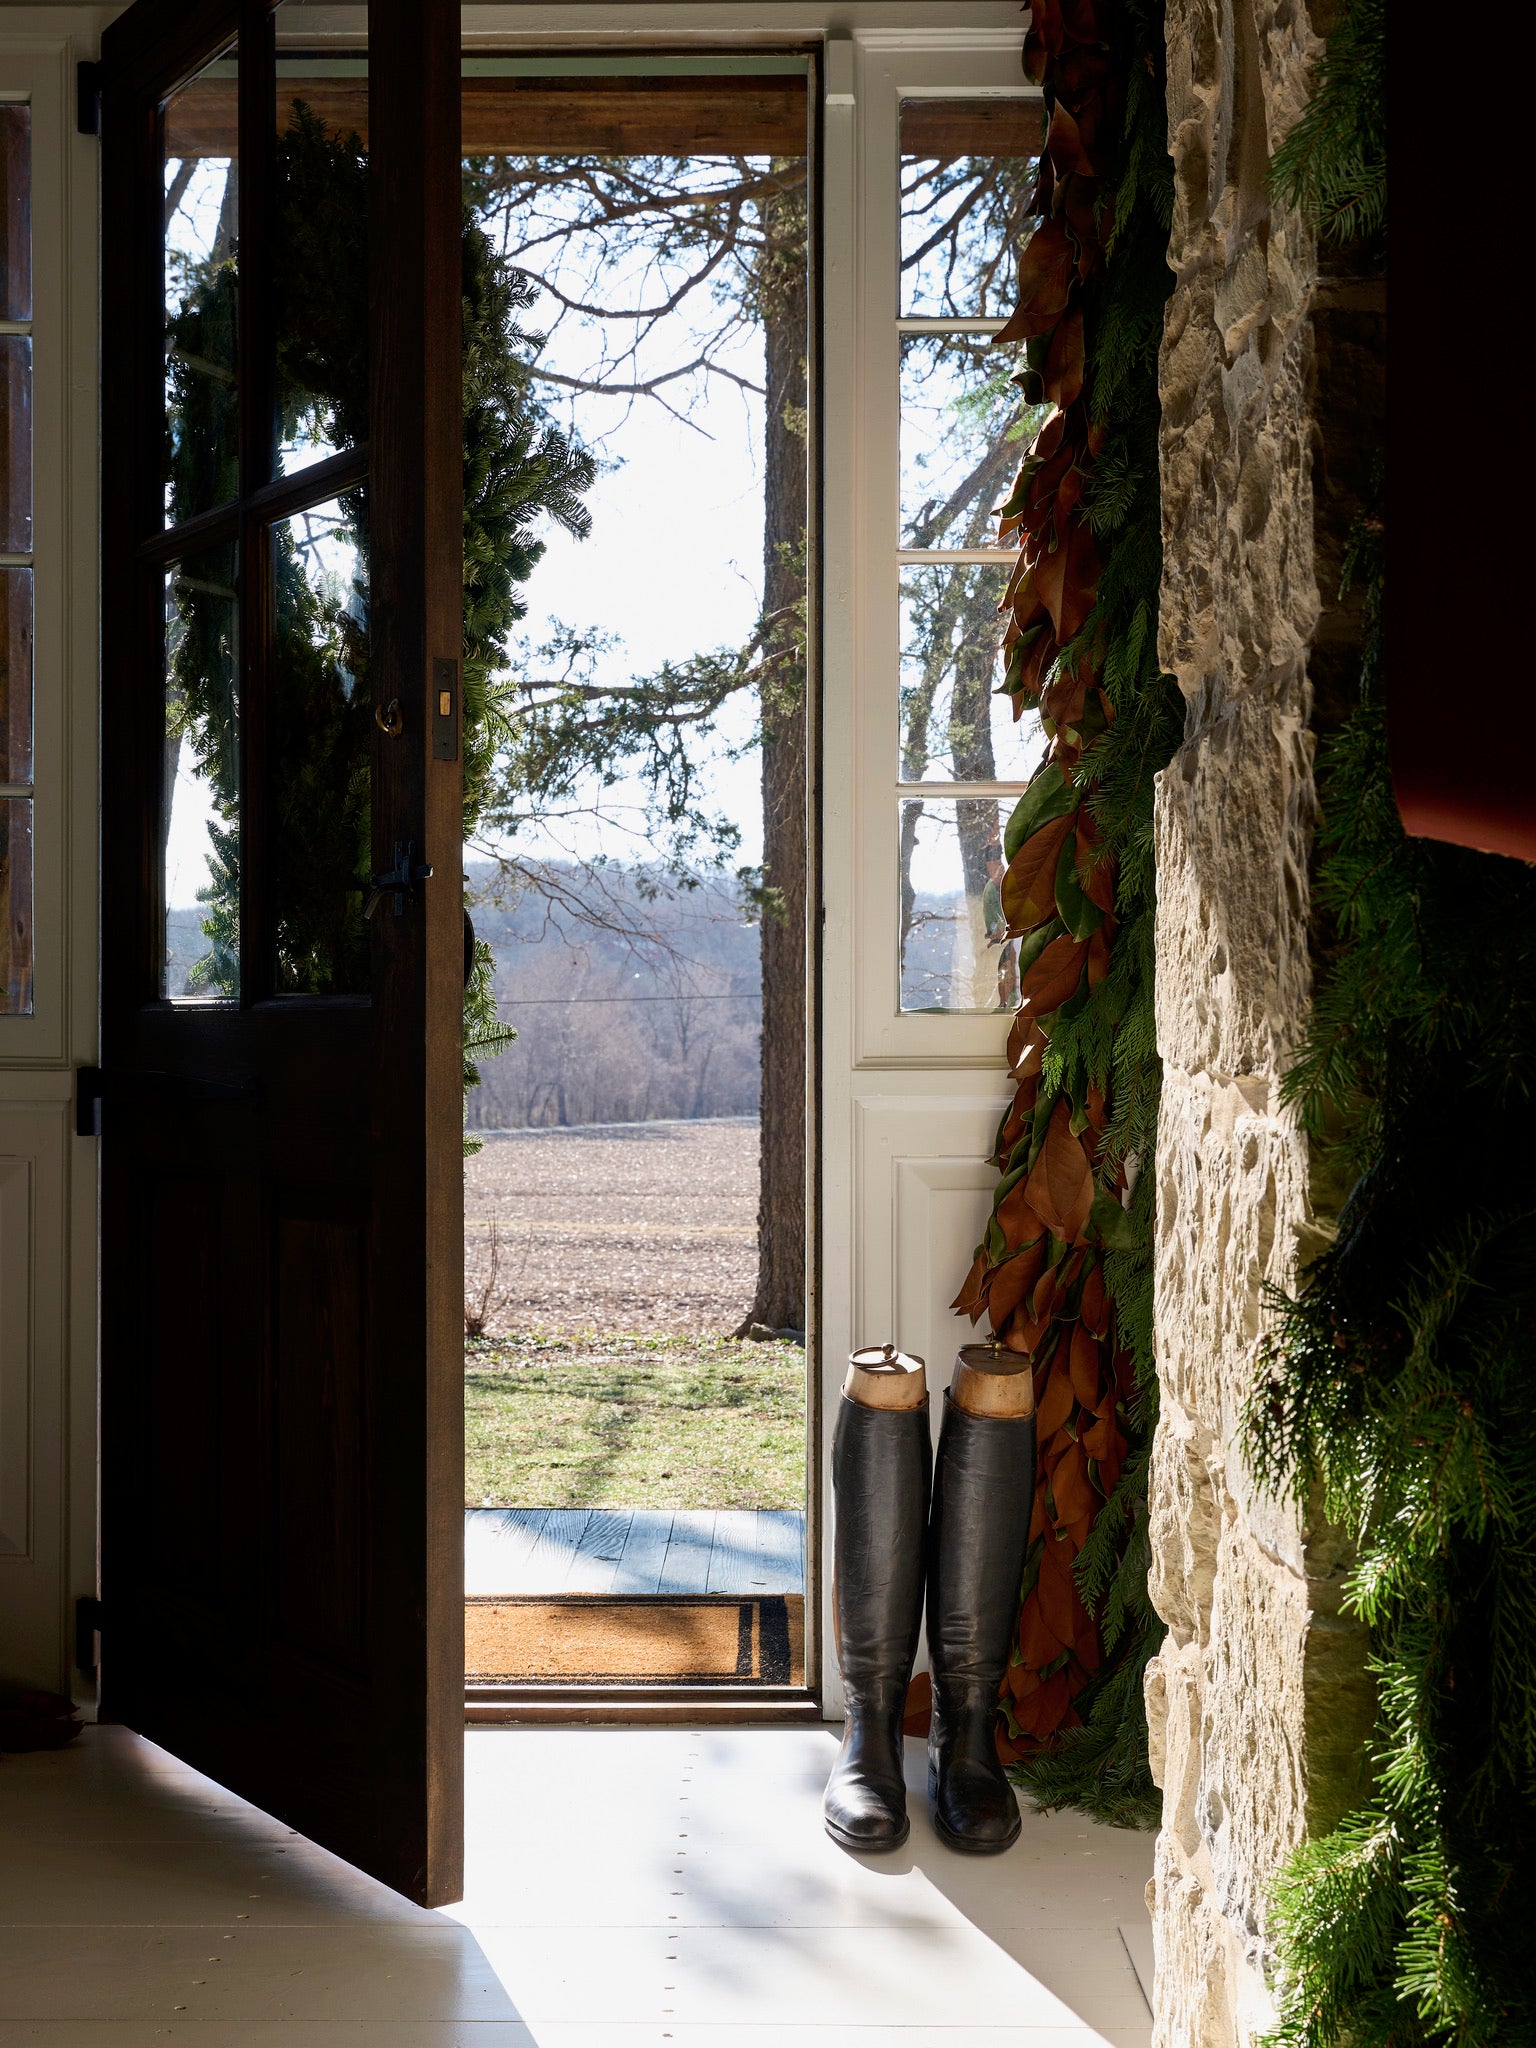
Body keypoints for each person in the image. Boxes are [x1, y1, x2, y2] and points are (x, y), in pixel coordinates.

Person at [821, 1342, 1035, 1854]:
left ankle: (963, 1732)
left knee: (995, 1393)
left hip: (969, 1720)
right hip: (870, 1721)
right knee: (884, 1388)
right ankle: (871, 1729)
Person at [981, 843, 1019, 1010]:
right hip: (1001, 936)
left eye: (999, 865)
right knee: (1004, 969)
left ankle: (1010, 1000)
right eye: (993, 866)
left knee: (1010, 966)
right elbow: (991, 916)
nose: (997, 870)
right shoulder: (991, 889)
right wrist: (998, 929)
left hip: (1012, 934)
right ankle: (1005, 1001)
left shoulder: (1010, 884)